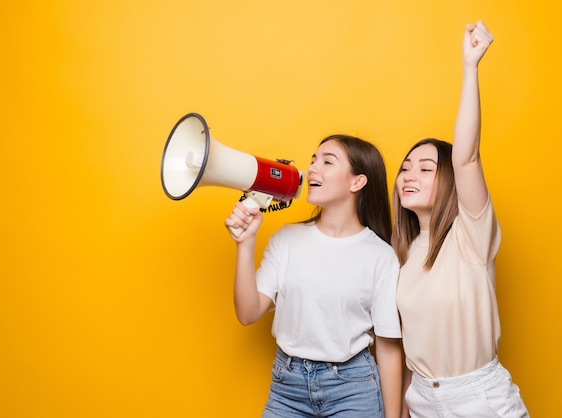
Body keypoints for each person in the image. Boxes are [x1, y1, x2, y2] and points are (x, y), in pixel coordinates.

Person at [392, 21, 529, 417]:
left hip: (479, 400)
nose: (408, 176)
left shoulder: (471, 234)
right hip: (421, 400)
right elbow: (409, 349)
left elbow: (466, 156)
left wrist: (470, 68)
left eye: (424, 168)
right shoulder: (401, 253)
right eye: (404, 168)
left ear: (448, 178)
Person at [225, 134, 403, 417]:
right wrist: (245, 244)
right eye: (313, 160)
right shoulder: (286, 240)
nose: (312, 170)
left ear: (358, 181)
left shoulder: (382, 257)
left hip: (353, 388)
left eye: (327, 161)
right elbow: (247, 313)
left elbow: (389, 348)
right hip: (287, 387)